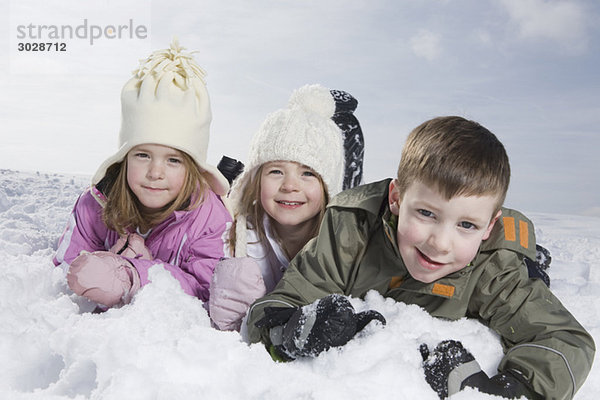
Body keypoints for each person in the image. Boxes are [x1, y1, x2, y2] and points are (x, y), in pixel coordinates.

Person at [245, 116, 595, 400]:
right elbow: (279, 302)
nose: (440, 244)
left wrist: (507, 391)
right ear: (396, 199)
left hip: (505, 260)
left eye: (467, 225)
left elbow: (565, 341)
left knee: (529, 271)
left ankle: (537, 261)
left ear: (489, 227)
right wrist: (290, 330)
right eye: (426, 214)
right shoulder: (350, 230)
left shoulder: (494, 266)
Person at [53, 39, 232, 309]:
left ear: (193, 168)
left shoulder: (209, 217)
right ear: (124, 158)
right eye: (142, 155)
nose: (155, 172)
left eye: (173, 160)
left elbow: (206, 290)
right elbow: (67, 267)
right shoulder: (94, 205)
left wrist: (137, 271)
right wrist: (102, 265)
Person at [208, 84, 363, 334]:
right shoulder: (235, 238)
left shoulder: (342, 250)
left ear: (326, 188)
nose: (290, 185)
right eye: (276, 171)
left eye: (308, 174)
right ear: (255, 179)